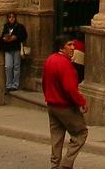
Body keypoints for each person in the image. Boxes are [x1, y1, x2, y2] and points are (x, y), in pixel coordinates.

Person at [43, 34, 89, 169]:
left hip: (52, 104)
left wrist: (49, 97)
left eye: (73, 44)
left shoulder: (50, 60)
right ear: (62, 47)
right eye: (69, 45)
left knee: (56, 137)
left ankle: (55, 165)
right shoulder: (65, 64)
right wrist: (81, 102)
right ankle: (66, 164)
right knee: (81, 133)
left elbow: (45, 82)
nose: (73, 48)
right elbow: (70, 88)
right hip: (64, 106)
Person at [0, 11, 28, 93]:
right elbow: (2, 35)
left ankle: (15, 84)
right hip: (8, 49)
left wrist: (15, 37)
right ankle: (9, 84)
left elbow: (23, 36)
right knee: (8, 66)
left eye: (13, 17)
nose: (11, 19)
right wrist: (4, 38)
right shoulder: (6, 27)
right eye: (9, 17)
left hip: (16, 48)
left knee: (16, 66)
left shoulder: (19, 26)